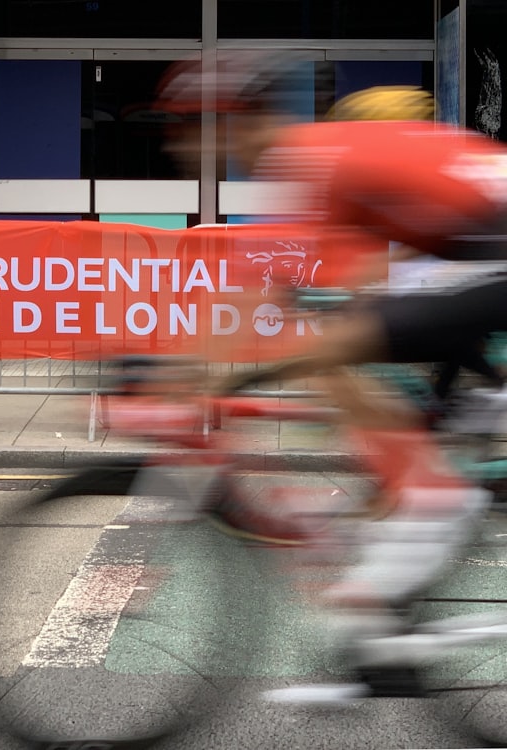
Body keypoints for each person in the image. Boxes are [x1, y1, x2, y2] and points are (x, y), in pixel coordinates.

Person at [155, 58, 507, 704]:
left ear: (229, 123)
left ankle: (423, 514)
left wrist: (211, 379)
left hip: (489, 259)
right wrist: (202, 371)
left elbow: (265, 295)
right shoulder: (316, 157)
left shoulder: (306, 160)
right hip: (476, 257)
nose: (176, 146)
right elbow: (279, 286)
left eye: (184, 129)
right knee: (335, 350)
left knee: (327, 351)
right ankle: (394, 593)